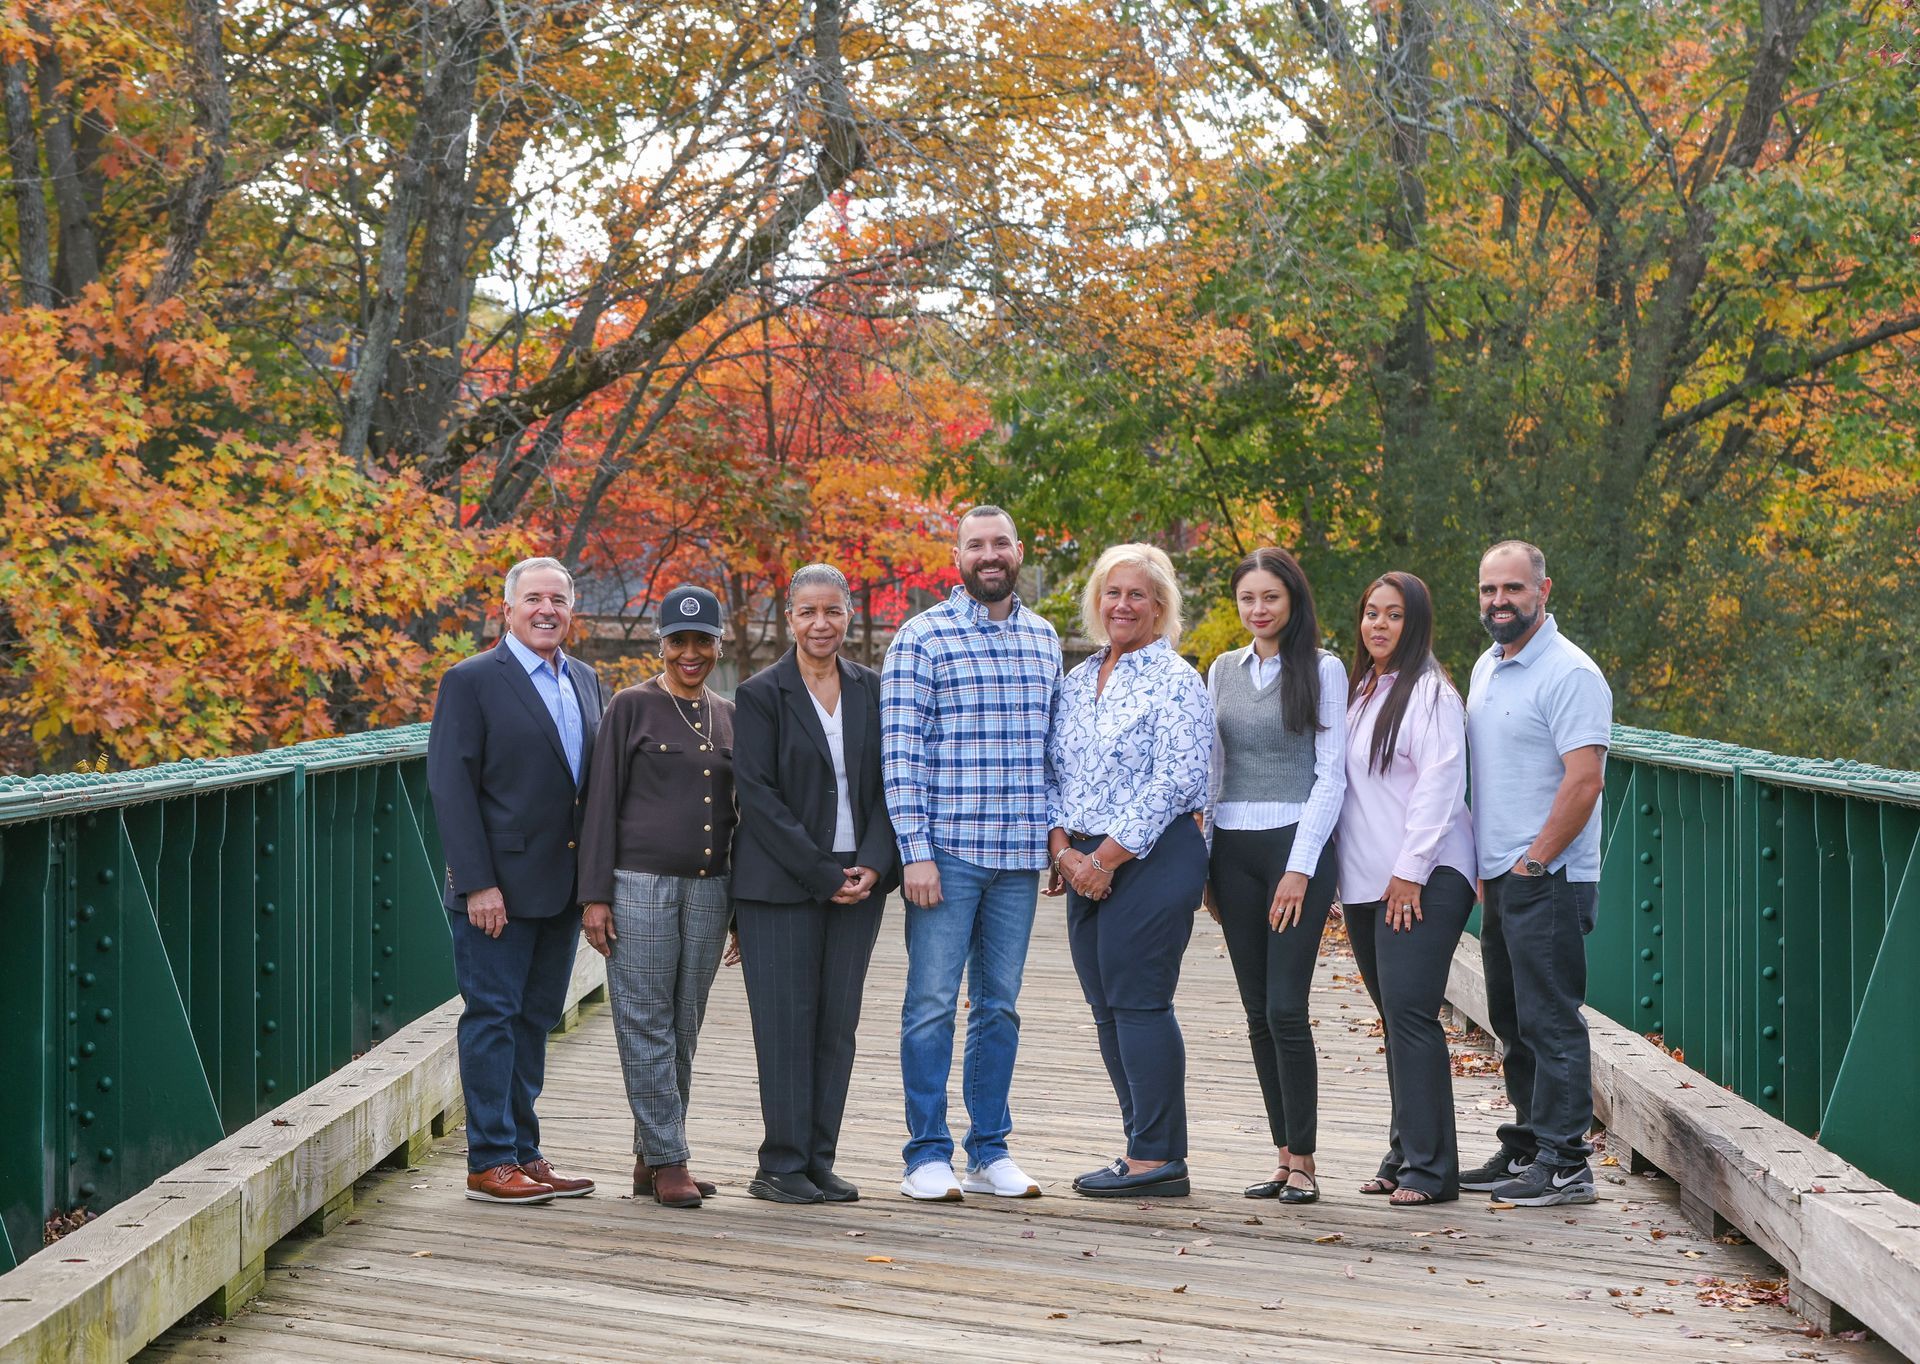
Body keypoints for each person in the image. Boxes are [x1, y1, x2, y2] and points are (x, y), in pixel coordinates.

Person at [882, 505, 1063, 1202]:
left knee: (999, 1008)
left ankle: (989, 1151)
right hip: (947, 855)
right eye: (974, 545)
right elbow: (900, 754)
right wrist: (915, 851)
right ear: (956, 556)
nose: (989, 555)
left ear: (1019, 551)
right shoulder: (922, 638)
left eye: (1000, 544)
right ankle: (925, 1154)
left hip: (1017, 859)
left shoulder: (1045, 640)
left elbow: (1050, 756)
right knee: (929, 1003)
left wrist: (1052, 842)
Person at [427, 556, 603, 1205]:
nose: (547, 609)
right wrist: (477, 883)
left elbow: (590, 789)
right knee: (493, 1019)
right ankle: (489, 1159)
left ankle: (526, 1153)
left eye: (558, 599)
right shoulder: (473, 680)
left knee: (534, 1021)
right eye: (534, 598)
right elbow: (450, 785)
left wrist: (595, 888)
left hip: (559, 887)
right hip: (495, 890)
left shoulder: (584, 679)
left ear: (571, 610)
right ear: (508, 609)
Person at [1046, 544, 1212, 1199]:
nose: (1122, 605)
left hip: (1153, 857)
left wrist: (1105, 858)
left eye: (1137, 595)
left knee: (1140, 1002)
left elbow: (1179, 779)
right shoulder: (1079, 679)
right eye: (1112, 593)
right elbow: (1053, 770)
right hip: (1081, 859)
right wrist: (1064, 851)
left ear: (1160, 606)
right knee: (1107, 1008)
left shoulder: (1176, 680)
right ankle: (1140, 1145)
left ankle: (1159, 1158)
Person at [731, 564, 900, 1204]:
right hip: (780, 885)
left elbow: (892, 784)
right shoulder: (760, 694)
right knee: (785, 1022)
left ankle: (817, 1161)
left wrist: (875, 865)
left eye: (832, 611)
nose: (820, 624)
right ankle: (779, 1163)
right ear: (789, 619)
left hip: (860, 879)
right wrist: (821, 873)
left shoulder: (873, 689)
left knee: (837, 1024)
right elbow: (759, 797)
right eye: (807, 612)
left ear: (848, 616)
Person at [1462, 540, 1611, 1208]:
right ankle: (1527, 1145)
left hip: (1546, 874)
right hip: (1503, 874)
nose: (1500, 601)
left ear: (1544, 591)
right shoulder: (1487, 669)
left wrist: (1534, 860)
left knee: (1551, 1021)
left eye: (1514, 589)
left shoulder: (1571, 674)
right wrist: (1494, 867)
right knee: (1512, 1021)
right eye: (1490, 590)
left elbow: (1584, 783)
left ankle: (1566, 1162)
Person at [579, 584, 737, 1210]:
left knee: (683, 1025)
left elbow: (741, 814)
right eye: (680, 641)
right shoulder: (630, 707)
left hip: (710, 888)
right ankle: (672, 1158)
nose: (691, 653)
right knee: (643, 1021)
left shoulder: (729, 714)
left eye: (703, 641)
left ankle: (651, 1155)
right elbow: (599, 805)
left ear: (718, 644)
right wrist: (595, 896)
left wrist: (741, 911)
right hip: (638, 886)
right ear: (662, 644)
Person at [1204, 546, 1347, 1205]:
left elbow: (1331, 775)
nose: (1258, 610)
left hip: (1295, 848)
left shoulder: (1323, 669)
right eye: (1248, 600)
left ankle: (1309, 1162)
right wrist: (1205, 863)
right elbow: (1212, 772)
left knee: (1287, 1008)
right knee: (1257, 1012)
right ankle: (1283, 1157)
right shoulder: (1222, 670)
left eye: (1271, 598)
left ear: (1293, 601)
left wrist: (1300, 867)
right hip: (1232, 850)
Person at [1337, 572, 1478, 1207]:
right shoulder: (1362, 690)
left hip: (1425, 877)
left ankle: (1431, 1169)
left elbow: (1439, 788)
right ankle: (1403, 1151)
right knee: (1394, 1020)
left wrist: (1409, 872)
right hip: (1369, 882)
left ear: (1415, 623)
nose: (1378, 625)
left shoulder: (1431, 695)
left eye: (1393, 615)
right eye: (1371, 614)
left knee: (1413, 1016)